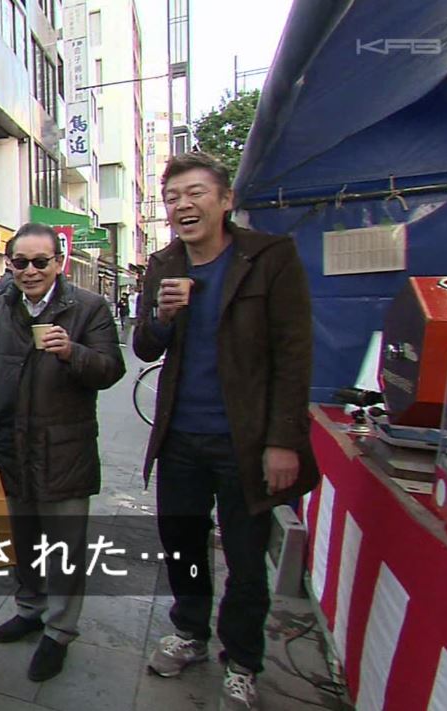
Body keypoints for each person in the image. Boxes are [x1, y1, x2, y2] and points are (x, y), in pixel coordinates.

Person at [133, 152, 319, 710]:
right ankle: (190, 631)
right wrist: (162, 318)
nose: (182, 206)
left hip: (247, 441)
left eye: (195, 193)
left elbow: (294, 353)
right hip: (180, 438)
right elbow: (144, 347)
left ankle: (242, 660)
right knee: (182, 545)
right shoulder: (163, 264)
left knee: (245, 559)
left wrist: (283, 441)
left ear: (225, 199)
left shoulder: (269, 258)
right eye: (172, 198)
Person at [0, 224, 124, 682]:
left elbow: (111, 369)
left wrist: (72, 352)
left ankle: (59, 631)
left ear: (58, 263)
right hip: (11, 447)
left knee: (64, 546)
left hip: (64, 449)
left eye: (40, 262)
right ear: (10, 265)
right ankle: (30, 609)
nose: (30, 271)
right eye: (20, 262)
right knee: (23, 541)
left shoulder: (88, 307)